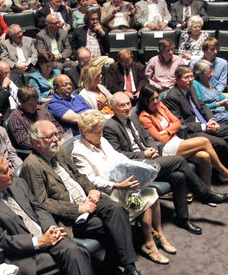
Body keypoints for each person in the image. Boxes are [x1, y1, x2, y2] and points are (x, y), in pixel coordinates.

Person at [21, 120, 155, 275]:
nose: (56, 139)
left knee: (118, 209)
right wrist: (78, 209)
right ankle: (125, 270)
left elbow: (79, 175)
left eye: (57, 134)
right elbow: (42, 203)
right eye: (50, 136)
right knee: (110, 226)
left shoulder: (60, 151)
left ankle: (127, 268)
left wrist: (91, 190)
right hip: (71, 215)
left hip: (87, 200)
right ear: (37, 142)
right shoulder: (31, 165)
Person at [104, 92, 228, 234]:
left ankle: (182, 219)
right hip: (135, 166)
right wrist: (142, 154)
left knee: (178, 176)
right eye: (122, 105)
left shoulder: (132, 117)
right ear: (113, 108)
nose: (127, 107)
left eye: (128, 103)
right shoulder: (110, 126)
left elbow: (147, 136)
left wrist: (152, 148)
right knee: (178, 160)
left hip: (150, 158)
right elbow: (117, 154)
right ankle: (204, 193)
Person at [72, 110, 173, 264]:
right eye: (96, 131)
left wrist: (137, 167)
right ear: (84, 131)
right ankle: (149, 243)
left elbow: (119, 158)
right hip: (107, 192)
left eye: (101, 130)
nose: (100, 134)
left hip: (122, 182)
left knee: (151, 192)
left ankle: (159, 234)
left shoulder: (101, 140)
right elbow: (91, 180)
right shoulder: (78, 151)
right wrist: (117, 185)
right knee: (145, 198)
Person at [138, 84, 228, 187]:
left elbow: (177, 122)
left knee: (204, 156)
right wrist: (171, 129)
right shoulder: (144, 117)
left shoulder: (160, 105)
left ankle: (207, 191)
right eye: (152, 99)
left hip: (176, 140)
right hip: (166, 148)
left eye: (157, 98)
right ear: (145, 100)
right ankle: (226, 173)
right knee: (204, 141)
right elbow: (160, 139)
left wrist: (167, 131)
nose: (156, 101)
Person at [164, 65, 228, 171]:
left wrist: (212, 119)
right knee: (220, 143)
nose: (190, 80)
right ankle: (225, 173)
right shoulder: (172, 97)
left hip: (206, 123)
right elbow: (180, 124)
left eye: (191, 76)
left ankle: (224, 166)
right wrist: (204, 127)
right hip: (192, 131)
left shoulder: (191, 89)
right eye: (186, 77)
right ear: (177, 80)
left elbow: (202, 106)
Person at [7, 85, 64, 150]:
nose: (35, 106)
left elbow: (56, 125)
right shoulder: (15, 118)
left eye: (36, 102)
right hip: (37, 152)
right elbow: (23, 142)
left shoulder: (42, 109)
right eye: (30, 104)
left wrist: (59, 137)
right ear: (20, 102)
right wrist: (48, 143)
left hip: (55, 143)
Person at [193, 60, 228, 126]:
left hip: (222, 112)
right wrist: (218, 104)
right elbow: (200, 106)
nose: (212, 74)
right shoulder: (195, 84)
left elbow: (219, 95)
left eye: (211, 71)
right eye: (208, 72)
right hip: (210, 116)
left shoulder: (210, 81)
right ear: (200, 74)